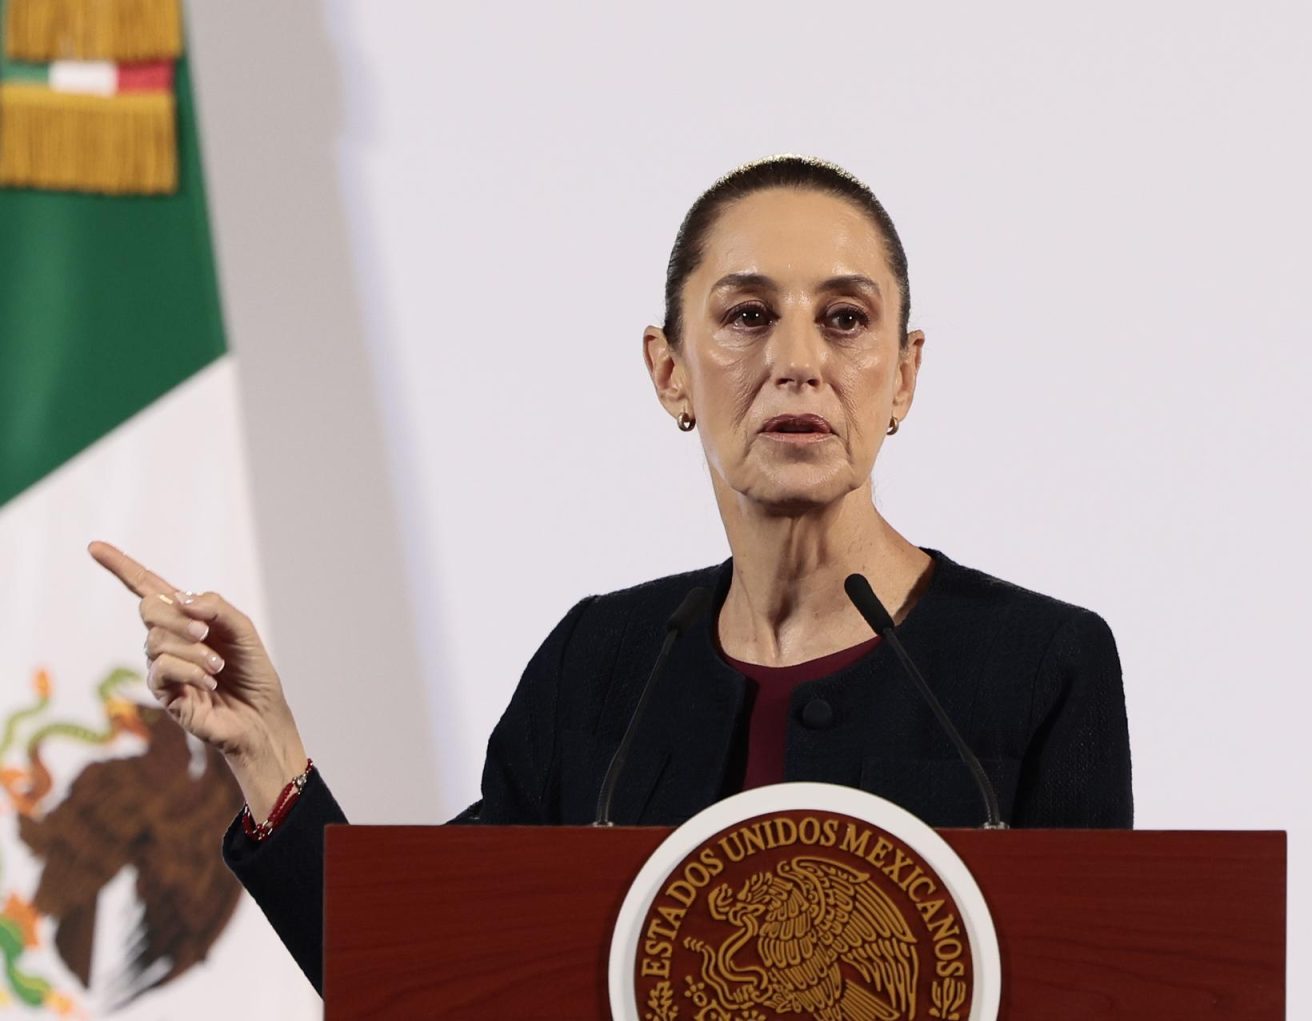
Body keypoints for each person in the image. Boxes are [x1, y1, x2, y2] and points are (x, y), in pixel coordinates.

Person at [89, 155, 1133, 994]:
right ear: (670, 369)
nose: (798, 360)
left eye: (846, 319)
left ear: (902, 376)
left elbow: (1104, 987)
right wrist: (266, 751)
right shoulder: (605, 661)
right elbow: (416, 974)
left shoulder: (1040, 663)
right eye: (748, 315)